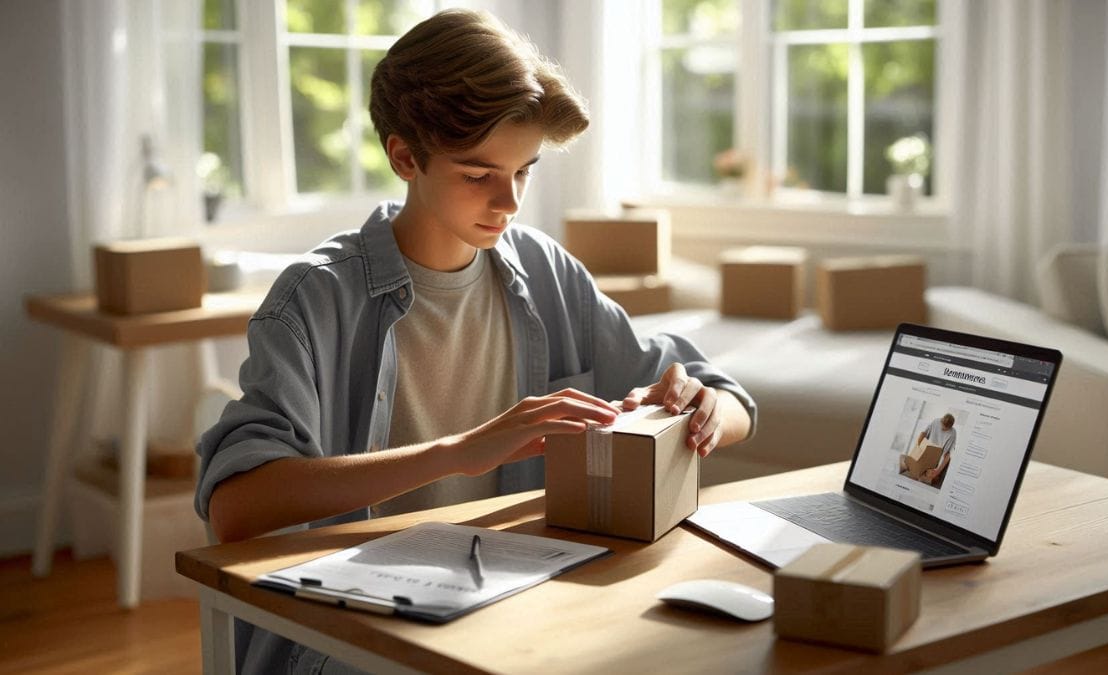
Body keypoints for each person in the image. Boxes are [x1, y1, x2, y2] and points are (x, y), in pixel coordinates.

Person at [193, 9, 756, 673]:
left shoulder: (547, 272)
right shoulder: (314, 299)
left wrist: (703, 407)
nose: (510, 201)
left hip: (511, 620)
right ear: (405, 156)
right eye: (477, 173)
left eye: (525, 171)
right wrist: (458, 452)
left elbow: (728, 399)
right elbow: (234, 507)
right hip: (350, 639)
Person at [898, 413, 957, 484]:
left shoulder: (953, 433)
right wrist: (918, 448)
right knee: (903, 458)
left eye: (945, 429)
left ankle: (922, 476)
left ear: (951, 427)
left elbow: (947, 455)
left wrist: (937, 471)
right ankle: (915, 474)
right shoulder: (936, 421)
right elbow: (923, 433)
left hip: (936, 459)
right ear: (941, 420)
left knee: (926, 474)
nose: (942, 429)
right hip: (926, 451)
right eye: (942, 426)